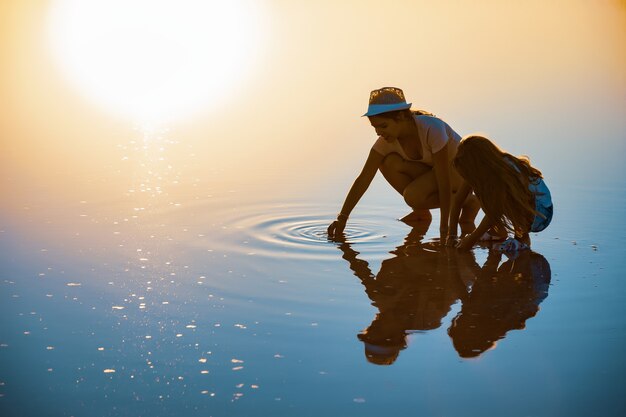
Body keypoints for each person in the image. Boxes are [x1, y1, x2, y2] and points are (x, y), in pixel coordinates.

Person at [327, 87, 478, 241]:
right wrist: (342, 218)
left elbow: (443, 180)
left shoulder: (432, 128)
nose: (379, 132)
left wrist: (446, 229)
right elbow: (363, 179)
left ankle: (469, 201)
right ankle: (421, 212)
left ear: (400, 117)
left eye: (383, 126)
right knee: (388, 162)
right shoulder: (385, 142)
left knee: (413, 195)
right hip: (434, 173)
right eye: (375, 127)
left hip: (462, 173)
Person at [447, 135, 553, 251]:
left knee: (504, 196)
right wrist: (452, 235)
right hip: (530, 207)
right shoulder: (479, 171)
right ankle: (498, 231)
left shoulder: (503, 171)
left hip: (540, 213)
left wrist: (471, 240)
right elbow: (458, 200)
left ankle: (522, 239)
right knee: (481, 189)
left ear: (479, 163)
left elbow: (495, 211)